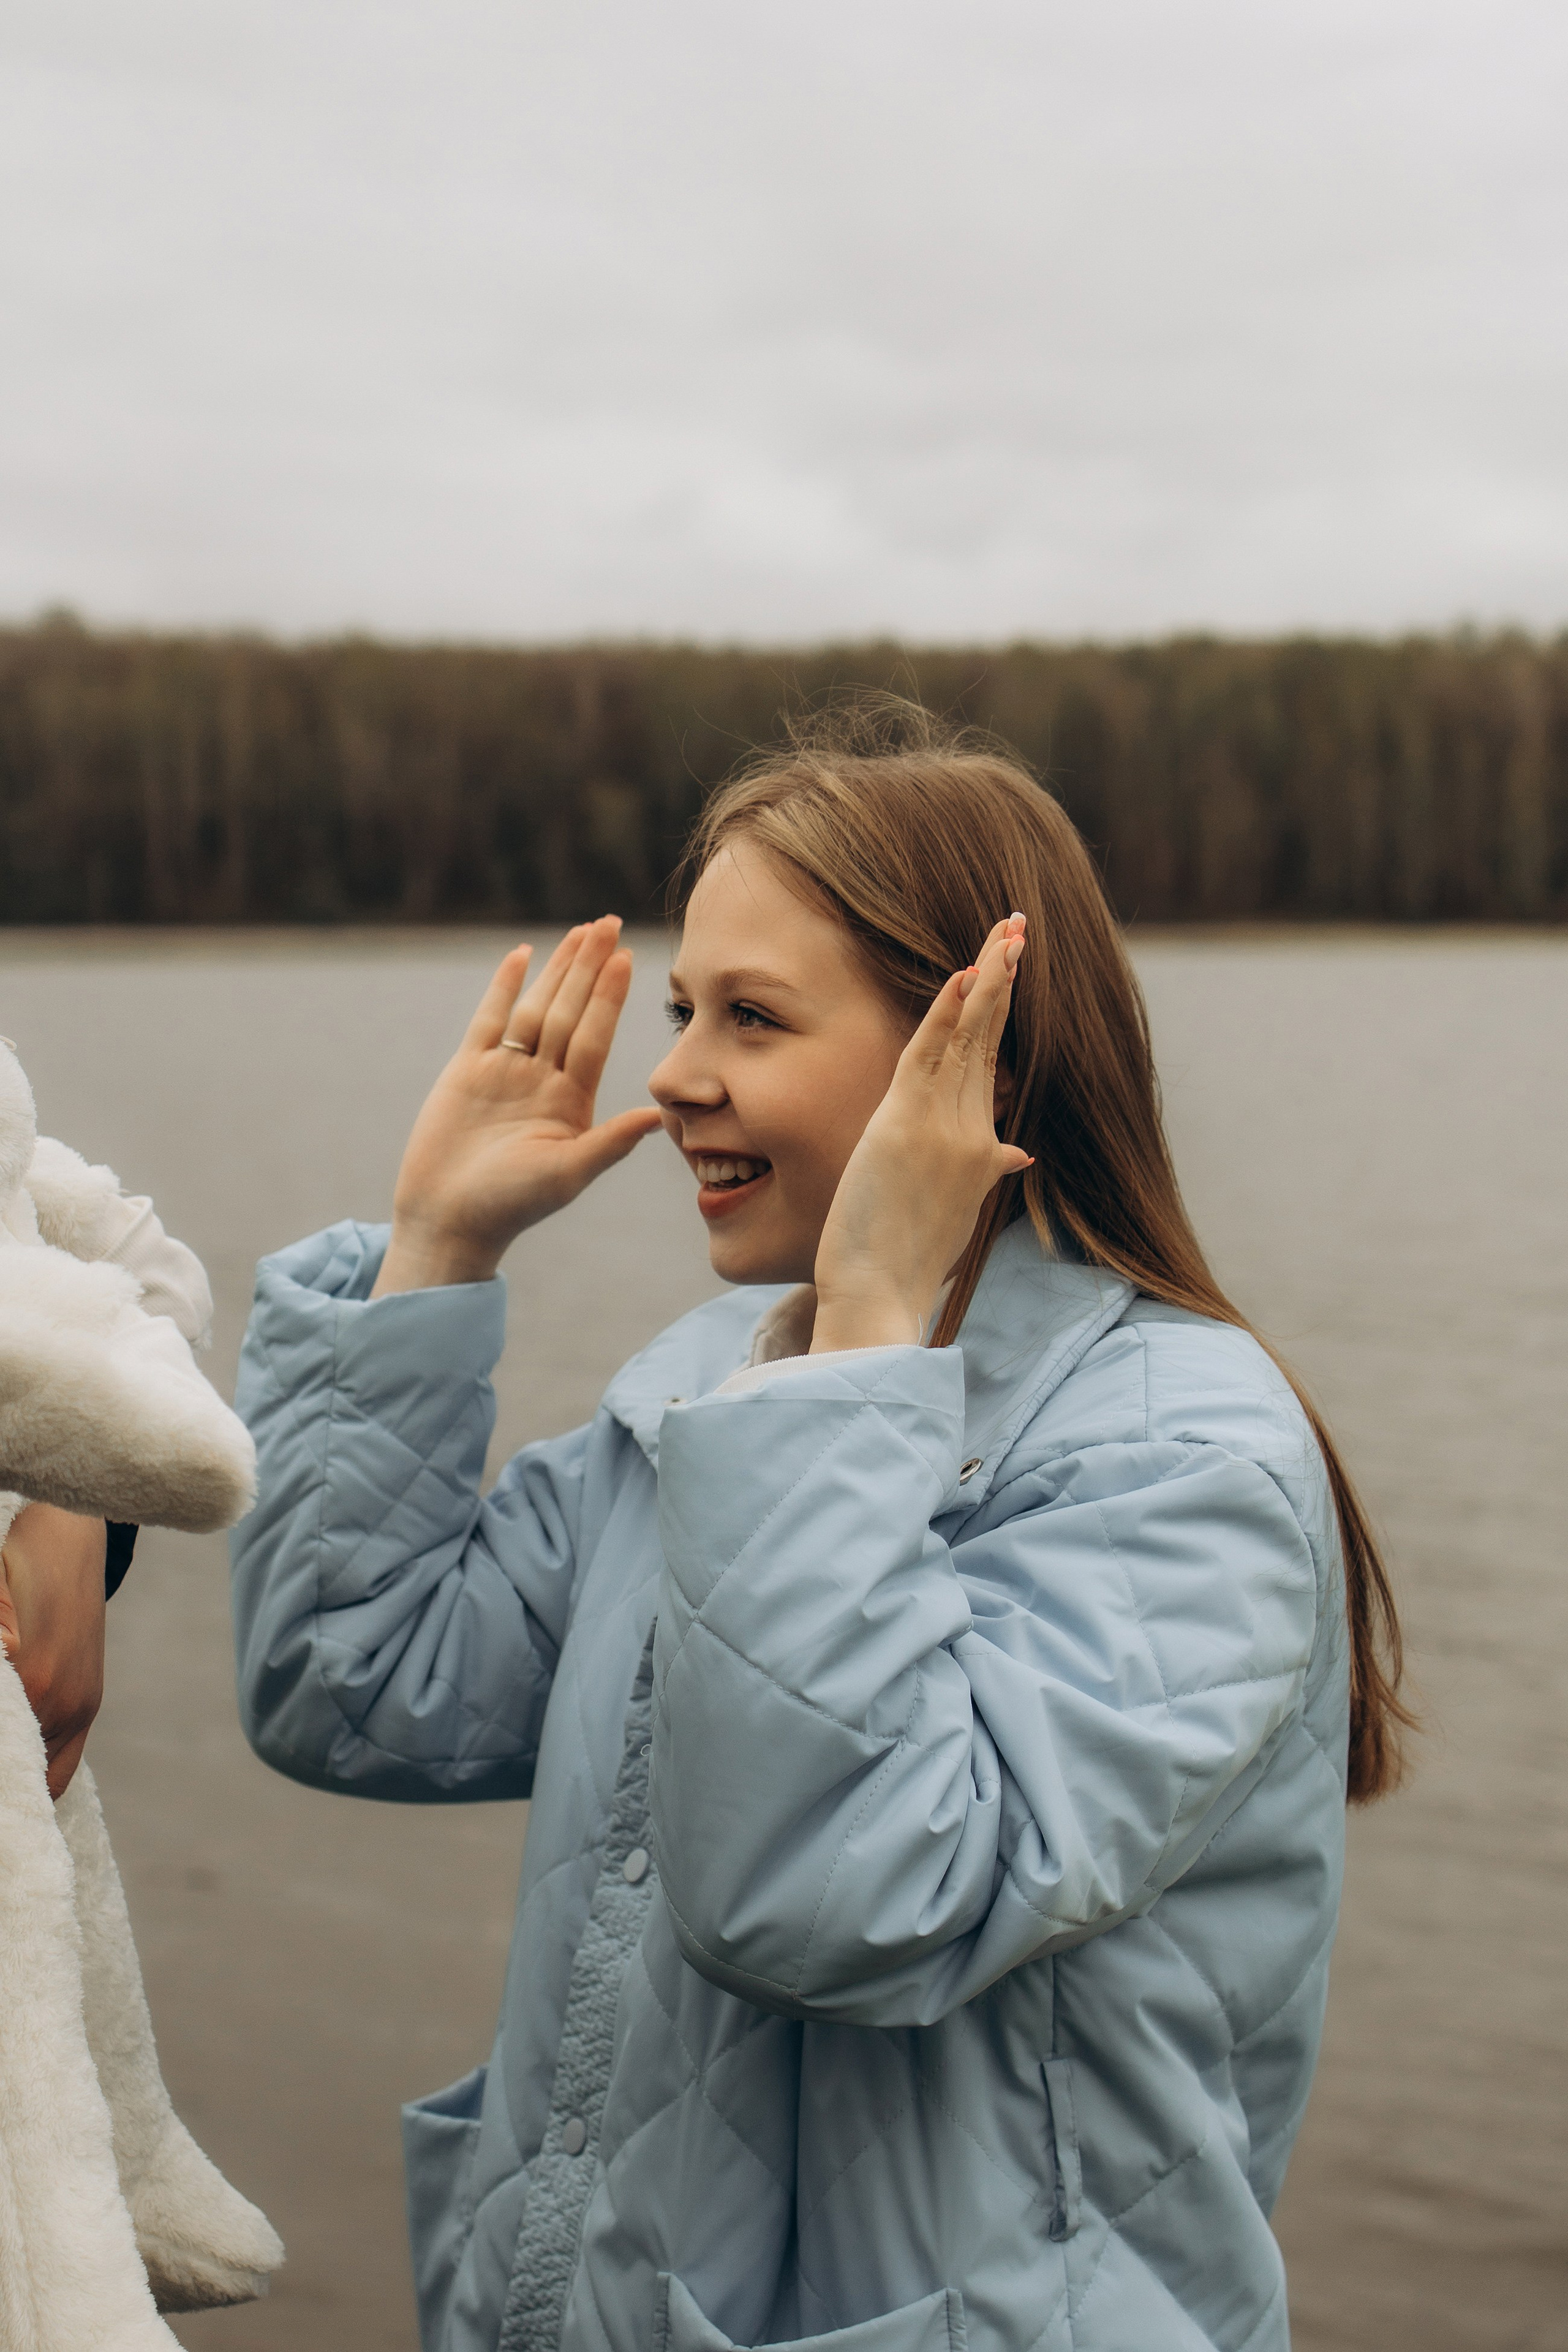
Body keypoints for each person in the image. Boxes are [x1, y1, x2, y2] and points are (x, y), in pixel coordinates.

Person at [231, 700, 1408, 2352]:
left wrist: (858, 1343)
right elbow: (351, 1690)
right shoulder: (721, 1386)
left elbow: (847, 1902)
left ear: (969, 1059)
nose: (673, 1069)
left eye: (756, 1018)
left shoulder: (1185, 1459)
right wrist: (432, 1252)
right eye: (689, 1003)